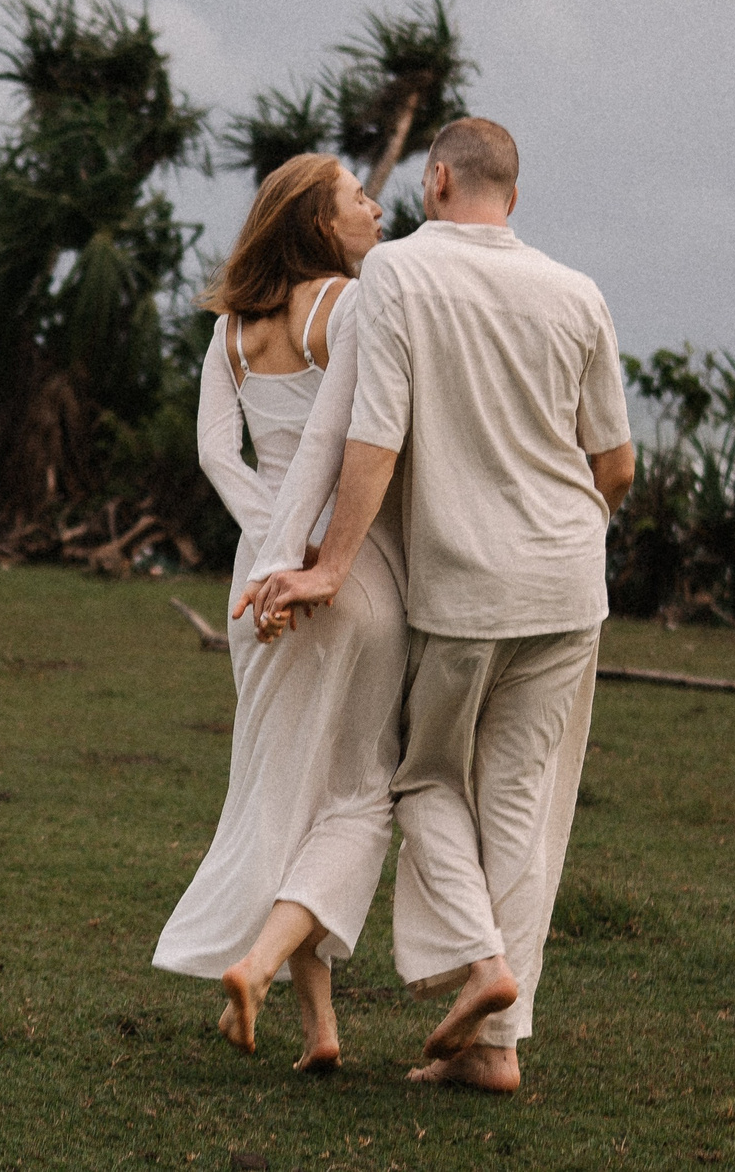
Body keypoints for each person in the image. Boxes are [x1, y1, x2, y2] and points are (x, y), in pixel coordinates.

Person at [245, 117, 635, 1093]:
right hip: (569, 587)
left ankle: (482, 966)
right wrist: (571, 535)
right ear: (514, 196)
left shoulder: (399, 274)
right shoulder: (577, 292)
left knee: (423, 782)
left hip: (466, 590)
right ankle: (498, 1049)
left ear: (437, 181)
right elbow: (617, 465)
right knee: (519, 806)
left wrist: (330, 566)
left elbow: (374, 436)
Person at [151, 153, 406, 1074]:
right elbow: (337, 442)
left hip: (253, 584)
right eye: (358, 198)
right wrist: (302, 560)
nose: (376, 208)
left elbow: (217, 452)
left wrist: (265, 556)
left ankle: (319, 1025)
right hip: (346, 570)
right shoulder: (352, 305)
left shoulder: (232, 329)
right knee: (361, 794)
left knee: (285, 788)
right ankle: (257, 963)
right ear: (319, 225)